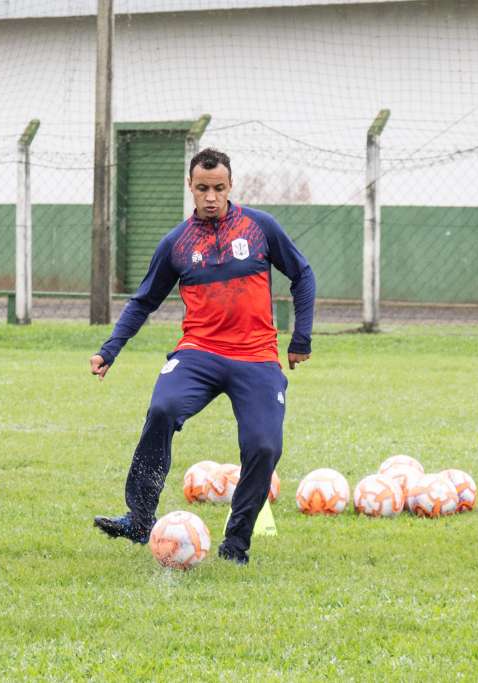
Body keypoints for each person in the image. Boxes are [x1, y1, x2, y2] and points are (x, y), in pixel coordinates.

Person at [90, 148, 315, 565]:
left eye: (218, 188)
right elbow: (143, 301)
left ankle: (236, 545)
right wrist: (110, 349)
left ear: (230, 187)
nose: (210, 196)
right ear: (190, 188)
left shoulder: (260, 228)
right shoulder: (176, 243)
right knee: (162, 408)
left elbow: (302, 275)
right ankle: (139, 520)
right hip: (200, 352)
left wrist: (301, 339)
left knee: (264, 447)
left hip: (257, 356)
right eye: (202, 189)